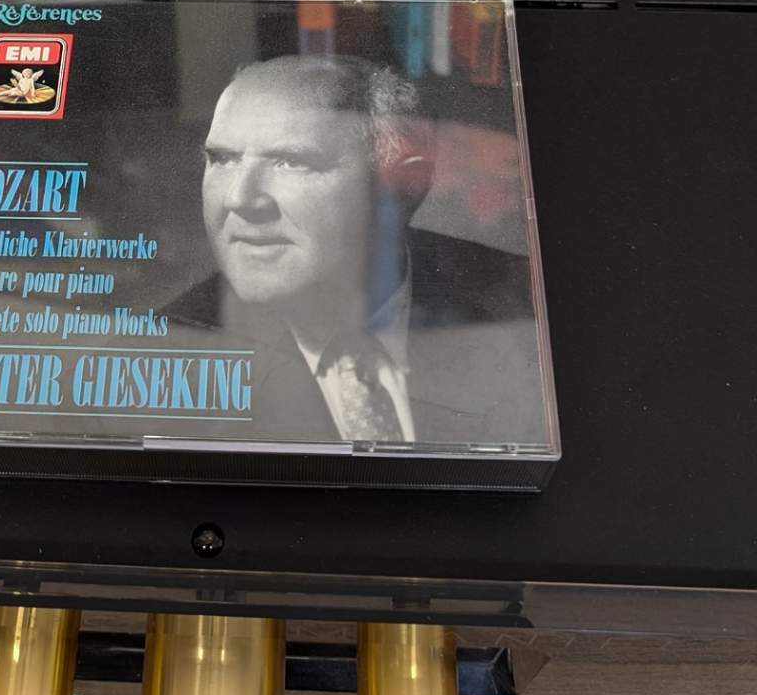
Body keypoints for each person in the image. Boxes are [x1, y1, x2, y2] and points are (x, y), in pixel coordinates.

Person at [166, 55, 546, 447]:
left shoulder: (527, 302)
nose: (239, 199)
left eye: (291, 161)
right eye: (222, 159)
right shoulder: (170, 355)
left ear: (405, 184)